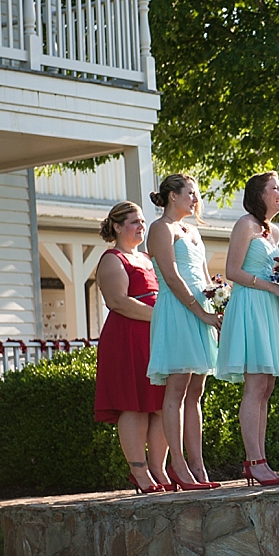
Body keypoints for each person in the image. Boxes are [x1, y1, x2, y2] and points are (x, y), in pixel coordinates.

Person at [215, 171, 279, 486]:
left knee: (267, 385)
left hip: (269, 308)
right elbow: (232, 271)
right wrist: (271, 287)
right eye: (275, 188)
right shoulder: (245, 225)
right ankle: (254, 461)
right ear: (259, 194)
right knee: (255, 384)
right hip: (250, 305)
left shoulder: (273, 232)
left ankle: (261, 459)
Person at [145, 174, 222, 491]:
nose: (195, 199)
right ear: (172, 196)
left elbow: (203, 276)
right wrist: (199, 311)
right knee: (176, 389)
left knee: (196, 392)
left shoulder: (193, 231)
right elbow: (172, 277)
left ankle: (198, 466)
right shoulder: (160, 229)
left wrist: (217, 304)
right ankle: (177, 465)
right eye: (190, 193)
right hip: (178, 312)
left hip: (200, 313)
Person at [93, 201, 171, 494]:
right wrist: (161, 316)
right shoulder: (113, 259)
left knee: (162, 405)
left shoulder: (149, 258)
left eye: (142, 221)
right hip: (127, 337)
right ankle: (138, 472)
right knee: (134, 403)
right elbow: (117, 301)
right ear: (117, 226)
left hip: (155, 337)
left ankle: (158, 468)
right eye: (134, 222)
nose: (141, 226)